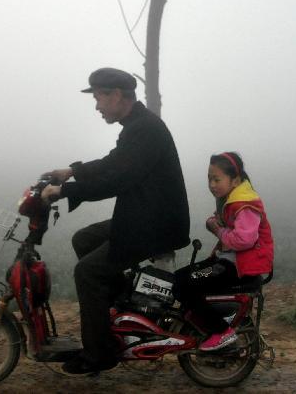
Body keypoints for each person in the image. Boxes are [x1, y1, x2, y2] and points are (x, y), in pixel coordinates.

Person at [40, 67, 190, 374]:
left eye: (98, 98)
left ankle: (100, 353)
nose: (96, 106)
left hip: (155, 225)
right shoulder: (136, 125)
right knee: (83, 238)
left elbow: (117, 179)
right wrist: (73, 171)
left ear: (116, 95)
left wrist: (65, 191)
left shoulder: (145, 129)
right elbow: (115, 161)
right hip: (145, 216)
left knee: (88, 272)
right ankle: (125, 307)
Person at [173, 151, 274, 351]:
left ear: (235, 180)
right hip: (228, 262)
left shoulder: (244, 204)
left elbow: (244, 239)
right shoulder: (231, 200)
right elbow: (228, 230)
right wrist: (217, 225)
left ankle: (220, 332)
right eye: (209, 179)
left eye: (217, 179)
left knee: (184, 285)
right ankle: (196, 324)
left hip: (238, 267)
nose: (212, 184)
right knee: (179, 278)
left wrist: (217, 229)